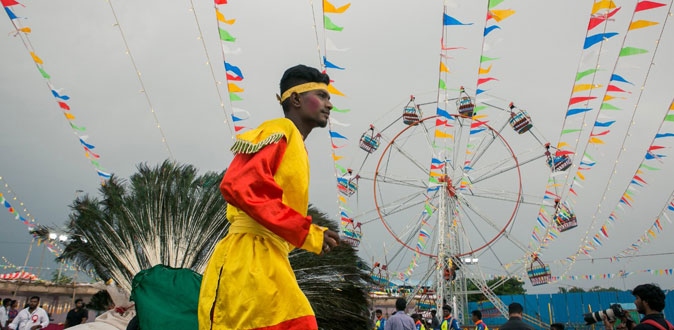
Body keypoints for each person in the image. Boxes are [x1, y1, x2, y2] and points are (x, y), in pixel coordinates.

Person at [198, 64, 340, 330]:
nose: (329, 104)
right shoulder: (279, 129)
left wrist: (310, 233)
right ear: (296, 99)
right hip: (250, 256)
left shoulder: (294, 141)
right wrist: (307, 233)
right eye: (321, 95)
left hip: (266, 255)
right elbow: (240, 185)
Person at [604, 284, 671, 330]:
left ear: (646, 302)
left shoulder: (643, 328)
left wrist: (609, 328)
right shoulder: (667, 325)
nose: (635, 302)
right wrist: (628, 320)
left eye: (637, 298)